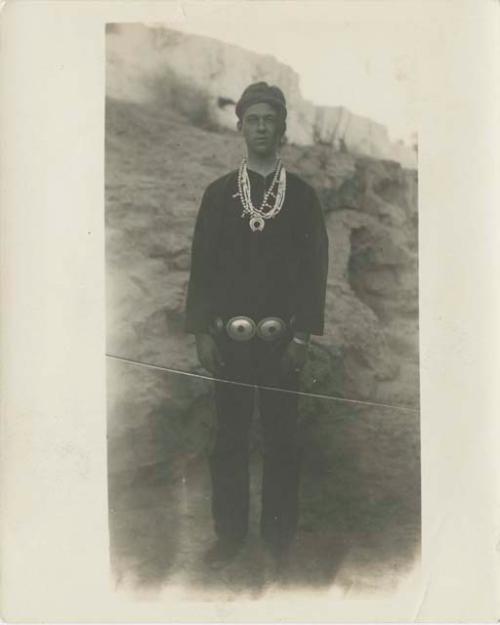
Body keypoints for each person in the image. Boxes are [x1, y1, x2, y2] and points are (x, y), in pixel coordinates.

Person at [184, 82, 329, 568]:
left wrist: (303, 335)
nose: (261, 128)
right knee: (228, 438)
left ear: (281, 127)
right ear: (240, 125)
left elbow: (315, 269)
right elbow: (201, 266)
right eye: (253, 120)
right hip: (229, 340)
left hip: (281, 341)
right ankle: (229, 535)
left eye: (270, 120)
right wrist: (203, 331)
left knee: (282, 437)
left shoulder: (303, 198)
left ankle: (278, 535)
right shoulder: (219, 194)